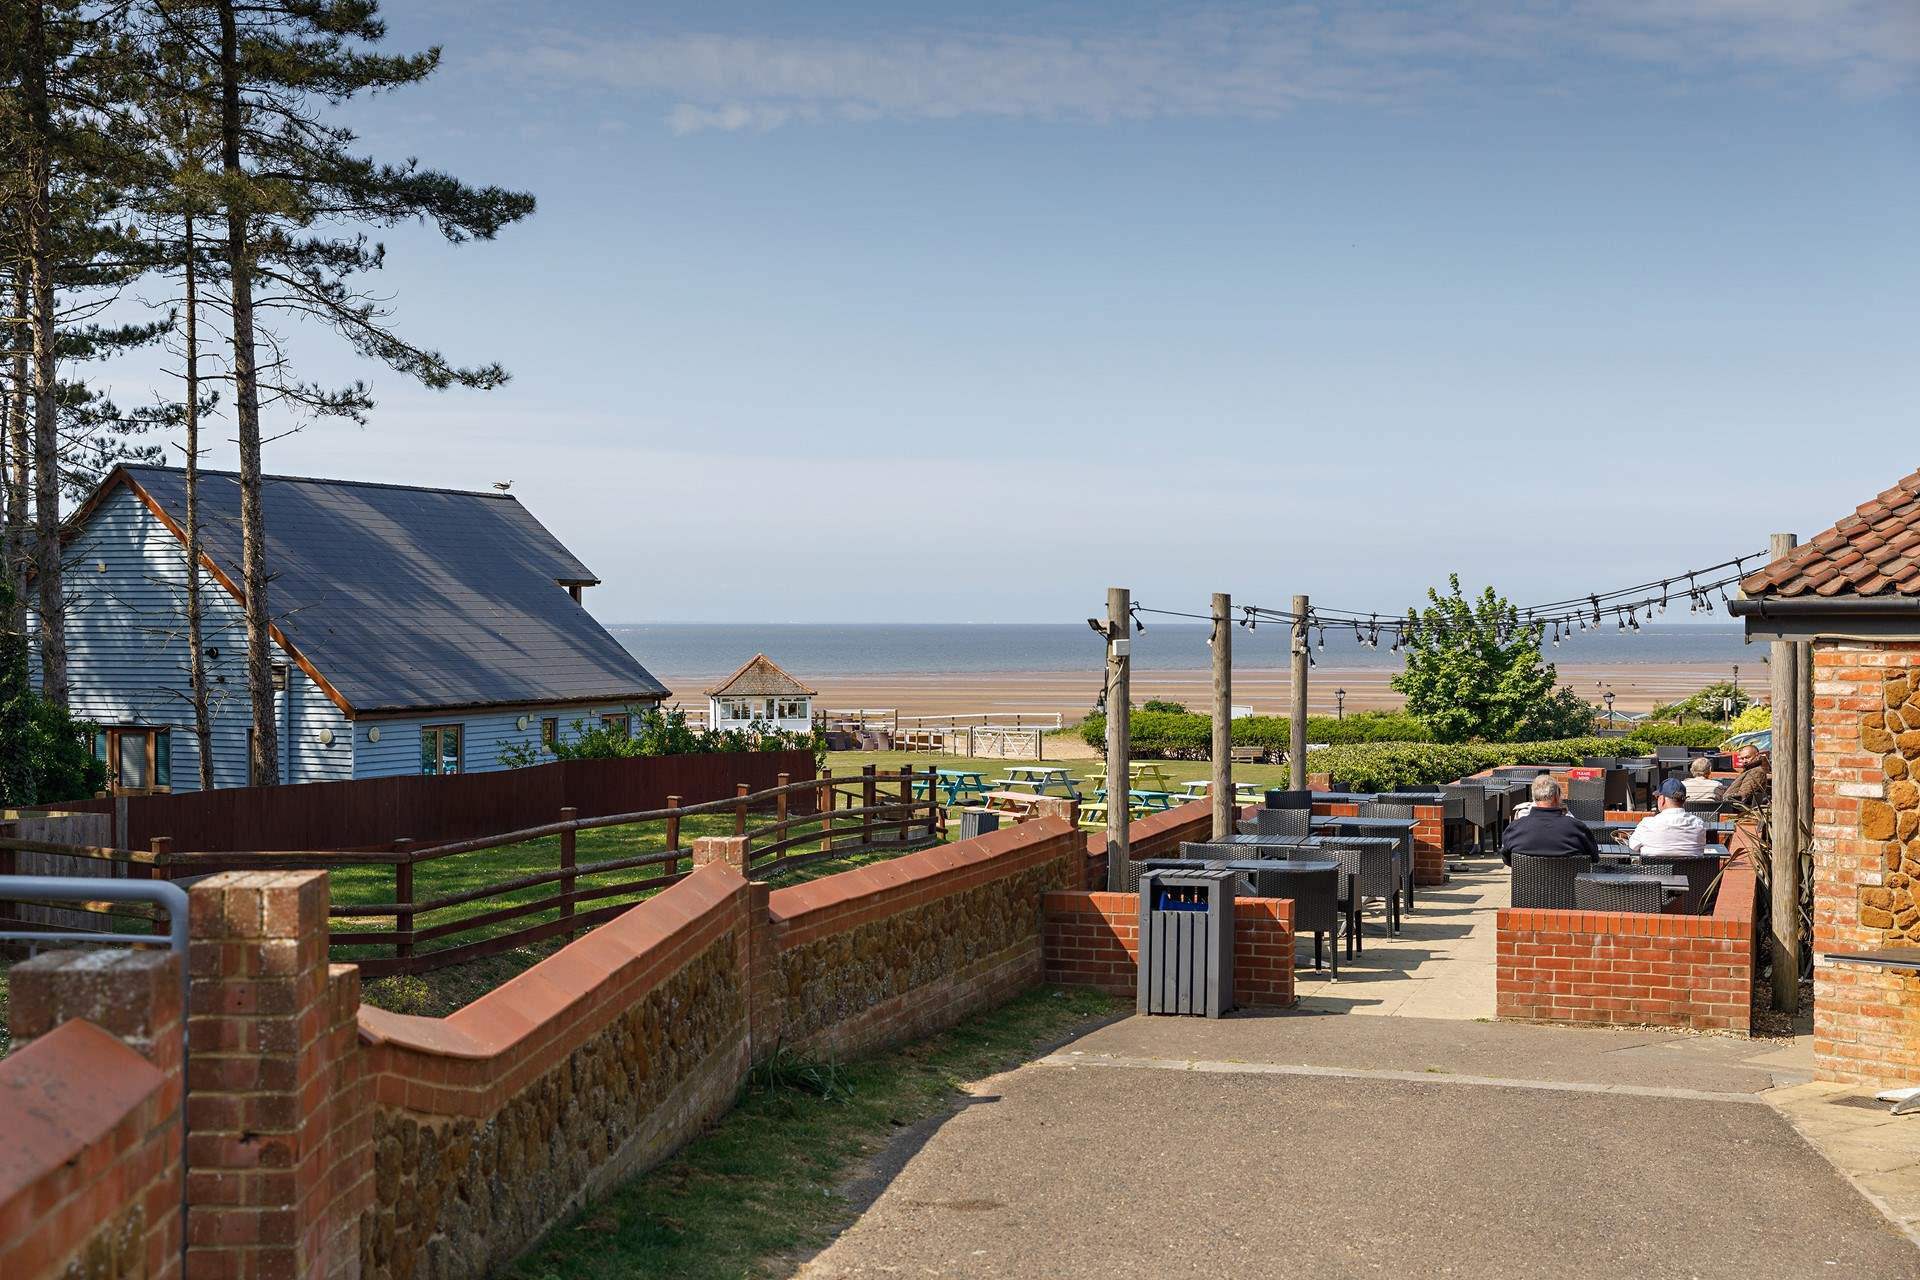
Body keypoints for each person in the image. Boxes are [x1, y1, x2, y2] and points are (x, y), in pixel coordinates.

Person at [1501, 774, 1600, 859]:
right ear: (1557, 797)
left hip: (1525, 880)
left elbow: (1508, 859)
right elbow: (1594, 856)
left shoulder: (1515, 828)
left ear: (1534, 798)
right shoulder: (1576, 828)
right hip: (1569, 881)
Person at [1628, 778, 1709, 856]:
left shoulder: (1647, 824)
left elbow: (1633, 846)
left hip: (1654, 869)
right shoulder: (1699, 824)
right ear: (1683, 800)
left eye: (1657, 797)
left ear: (1662, 799)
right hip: (1693, 870)